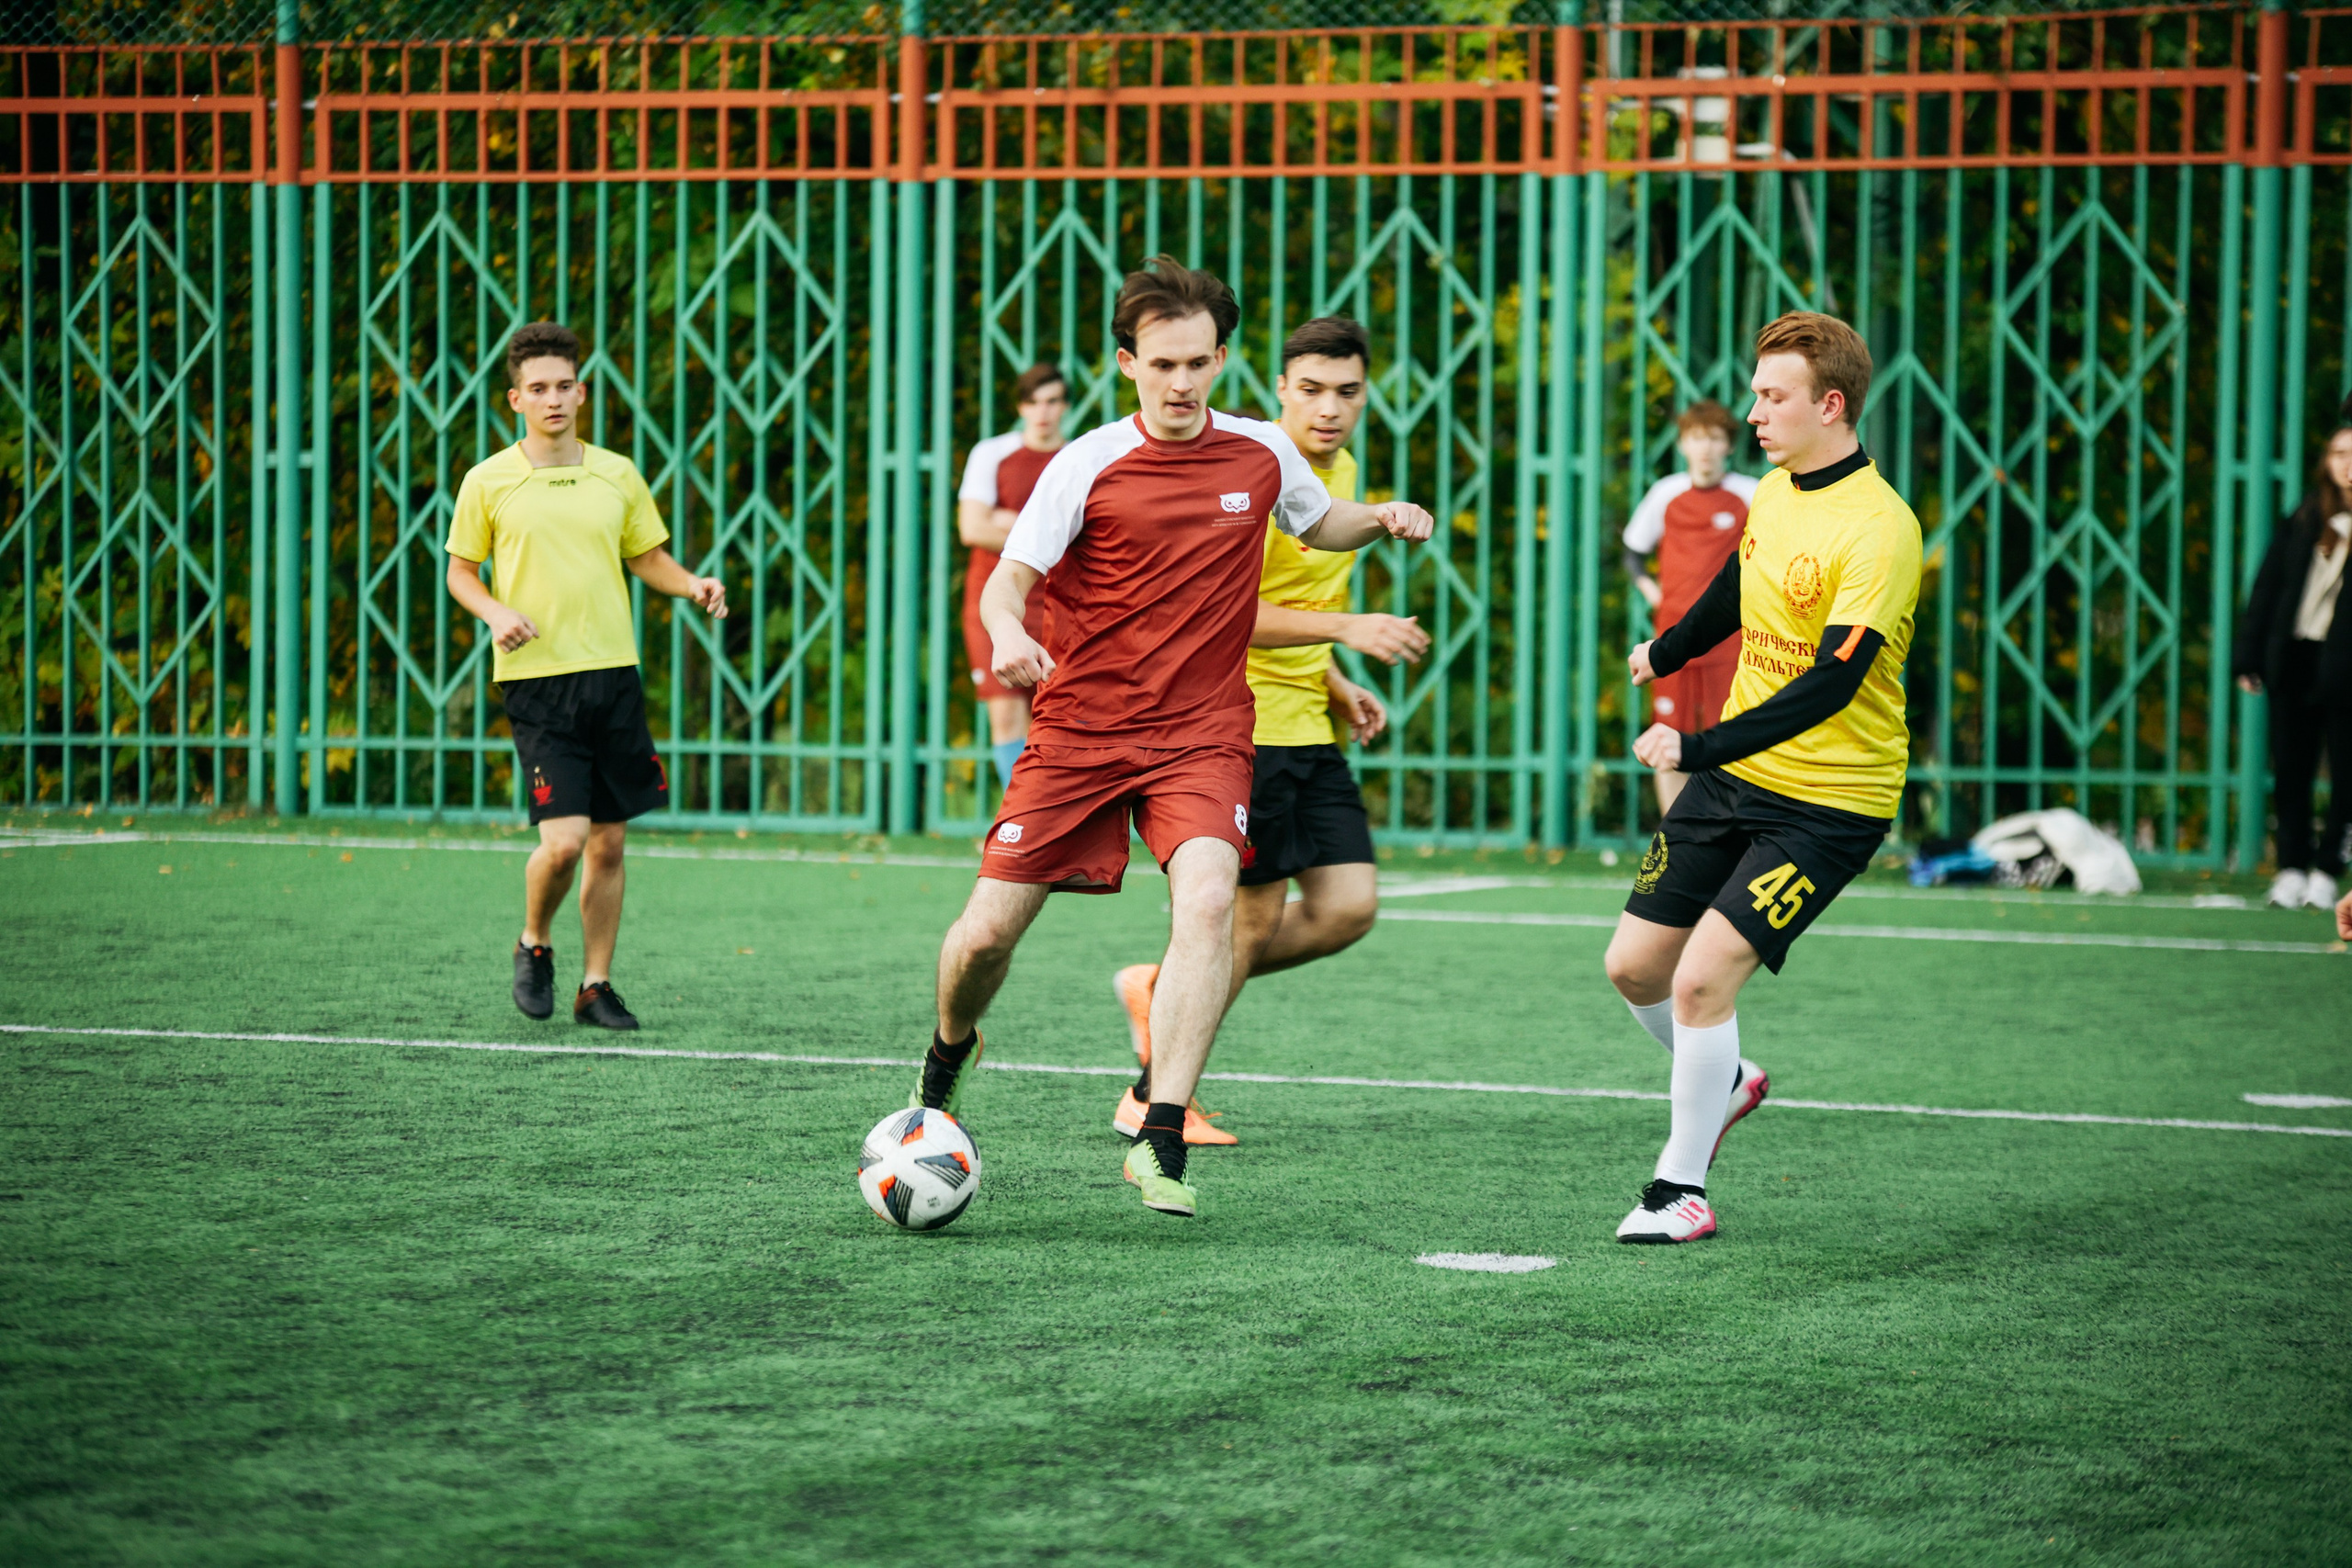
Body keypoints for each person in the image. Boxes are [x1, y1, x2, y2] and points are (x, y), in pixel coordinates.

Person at [910, 257, 1434, 1219]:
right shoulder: (1086, 463)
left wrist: (1381, 519)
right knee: (984, 937)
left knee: (1208, 900)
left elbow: (1319, 524)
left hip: (1202, 733)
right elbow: (1005, 582)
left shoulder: (1262, 451)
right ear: (1128, 364)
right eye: (1163, 365)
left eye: (1198, 363)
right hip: (1080, 728)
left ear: (1221, 359)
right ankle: (947, 1055)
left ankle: (1160, 1134)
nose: (1182, 383)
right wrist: (1010, 632)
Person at [1602, 310, 1922, 1245]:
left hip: (1829, 803)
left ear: (1831, 405)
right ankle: (1729, 1078)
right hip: (1739, 775)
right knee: (1633, 966)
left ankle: (1679, 1191)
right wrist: (1668, 650)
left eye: (1772, 397)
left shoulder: (1882, 528)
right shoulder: (1777, 492)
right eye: (1754, 394)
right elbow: (1741, 591)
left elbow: (1831, 682)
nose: (1752, 415)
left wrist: (1697, 747)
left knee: (1703, 979)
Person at [1107, 316, 1431, 1146]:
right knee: (1246, 923)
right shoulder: (1249, 468)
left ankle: (1165, 985)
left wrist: (1334, 678)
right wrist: (1351, 629)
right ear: (1280, 389)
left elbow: (1298, 605)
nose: (1329, 408)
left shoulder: (1340, 473)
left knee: (1347, 908)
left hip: (1307, 720)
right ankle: (1151, 1097)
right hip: (1243, 724)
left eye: (1347, 392)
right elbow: (1220, 612)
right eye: (1311, 390)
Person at [444, 321, 728, 1032]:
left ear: (582, 392)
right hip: (538, 682)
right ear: (515, 399)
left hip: (613, 677)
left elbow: (646, 557)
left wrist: (692, 584)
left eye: (564, 385)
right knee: (563, 842)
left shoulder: (617, 473)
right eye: (538, 388)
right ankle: (534, 940)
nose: (553, 398)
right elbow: (461, 573)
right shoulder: (487, 480)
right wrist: (494, 611)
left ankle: (595, 985)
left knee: (609, 843)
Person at [2233, 422, 2352, 911]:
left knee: (2346, 775)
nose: (2347, 463)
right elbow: (2268, 587)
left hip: (2345, 667)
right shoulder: (2305, 517)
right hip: (2297, 659)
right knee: (2290, 771)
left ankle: (2327, 872)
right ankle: (2291, 868)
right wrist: (2248, 656)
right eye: (2339, 453)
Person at [1623, 400, 1759, 812]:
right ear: (1683, 444)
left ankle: (1726, 833)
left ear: (1728, 446)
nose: (1705, 449)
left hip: (1730, 640)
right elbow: (1633, 551)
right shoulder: (1666, 493)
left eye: (1715, 439)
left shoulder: (1751, 494)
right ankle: (1673, 835)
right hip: (1672, 635)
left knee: (1730, 735)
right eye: (1697, 438)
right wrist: (1653, 593)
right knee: (1667, 735)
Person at [956, 365, 1069, 791]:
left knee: (1057, 715)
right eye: (1033, 402)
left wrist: (1009, 521)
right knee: (1005, 715)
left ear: (1065, 406)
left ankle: (1048, 813)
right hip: (995, 601)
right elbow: (972, 528)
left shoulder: (1077, 458)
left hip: (1058, 603)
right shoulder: (992, 454)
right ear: (1021, 408)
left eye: (1052, 401)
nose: (1043, 412)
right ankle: (1016, 814)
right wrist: (1044, 531)